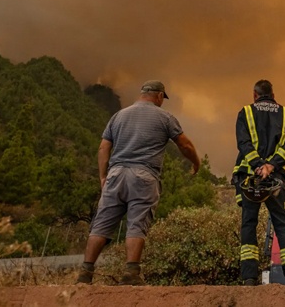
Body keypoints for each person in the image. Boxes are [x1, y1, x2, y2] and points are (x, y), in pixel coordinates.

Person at [77, 80, 200, 285]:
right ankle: (131, 273)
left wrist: (102, 176)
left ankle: (85, 272)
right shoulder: (165, 117)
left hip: (115, 175)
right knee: (136, 224)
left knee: (101, 225)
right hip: (143, 176)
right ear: (159, 96)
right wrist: (196, 163)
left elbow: (103, 148)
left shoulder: (119, 116)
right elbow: (185, 144)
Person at [233, 80, 285, 286]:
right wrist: (271, 166)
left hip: (250, 178)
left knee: (249, 224)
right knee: (282, 224)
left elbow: (243, 143)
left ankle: (249, 278)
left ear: (255, 95)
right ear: (273, 94)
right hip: (276, 178)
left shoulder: (245, 112)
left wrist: (258, 165)